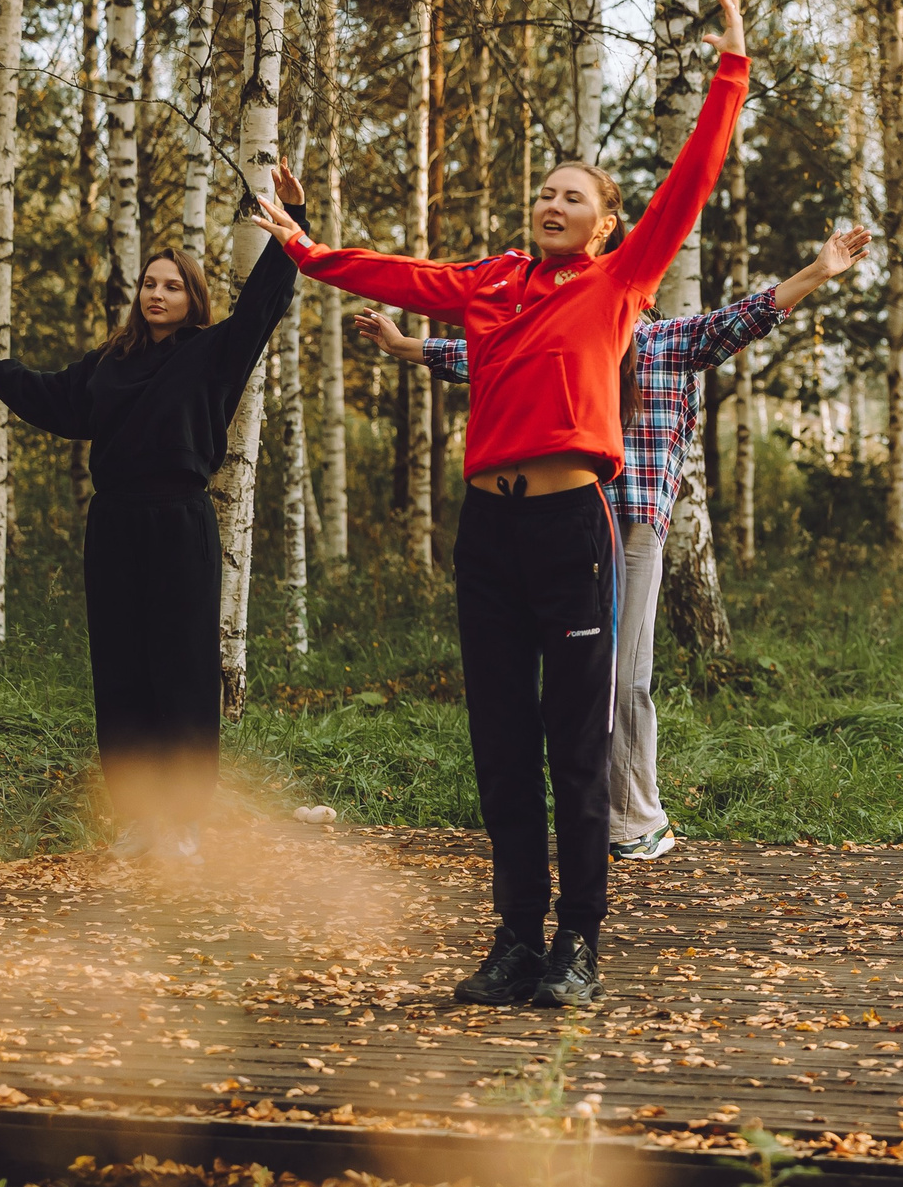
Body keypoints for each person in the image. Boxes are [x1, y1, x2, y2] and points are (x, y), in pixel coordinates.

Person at [244, 0, 750, 1009]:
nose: (552, 202)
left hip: (575, 526)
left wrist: (729, 66)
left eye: (575, 195)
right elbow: (384, 273)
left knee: (576, 744)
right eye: (546, 192)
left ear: (608, 226)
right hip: (490, 531)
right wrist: (298, 239)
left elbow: (694, 176)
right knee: (500, 746)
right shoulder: (486, 283)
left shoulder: (619, 282)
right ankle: (516, 936)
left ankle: (580, 941)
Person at [355, 225, 870, 863]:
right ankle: (570, 815)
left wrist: (818, 271)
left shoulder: (669, 344)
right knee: (560, 680)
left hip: (627, 531)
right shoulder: (559, 339)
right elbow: (475, 356)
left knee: (625, 678)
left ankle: (636, 819)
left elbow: (749, 316)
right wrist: (403, 345)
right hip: (559, 524)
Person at [0, 166, 309, 864]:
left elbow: (260, 309)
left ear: (192, 298)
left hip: (181, 523)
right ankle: (136, 819)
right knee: (122, 669)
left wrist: (289, 228)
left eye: (172, 285)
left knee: (182, 669)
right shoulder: (111, 362)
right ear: (139, 297)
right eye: (149, 285)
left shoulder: (213, 354)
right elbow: (55, 398)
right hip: (116, 526)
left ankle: (184, 822)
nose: (158, 295)